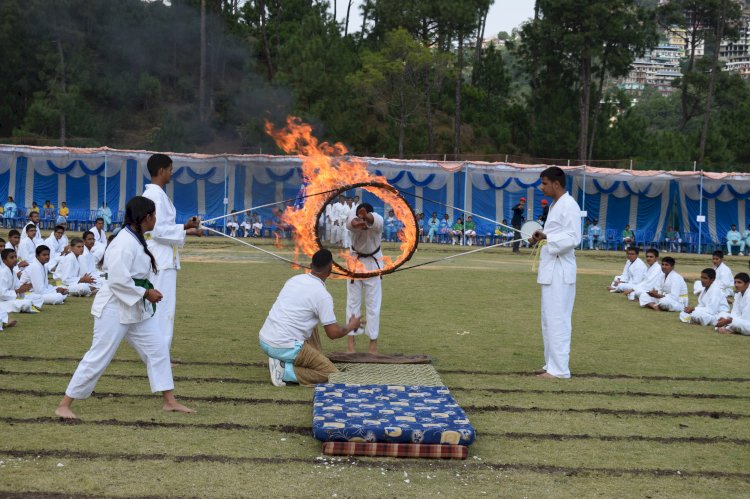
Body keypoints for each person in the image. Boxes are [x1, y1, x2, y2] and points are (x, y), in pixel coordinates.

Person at [55, 196, 193, 419]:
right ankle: (64, 404)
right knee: (99, 355)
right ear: (145, 217)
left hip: (136, 308)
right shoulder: (123, 242)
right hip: (114, 308)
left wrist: (145, 294)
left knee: (158, 349)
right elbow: (118, 280)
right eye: (154, 215)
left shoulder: (136, 238)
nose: (156, 219)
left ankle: (169, 401)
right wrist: (147, 292)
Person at [260, 249, 361, 386]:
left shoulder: (294, 280)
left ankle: (284, 361)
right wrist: (351, 326)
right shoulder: (322, 296)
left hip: (266, 338)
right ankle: (285, 372)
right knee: (331, 374)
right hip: (284, 345)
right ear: (330, 268)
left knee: (312, 322)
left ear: (311, 265)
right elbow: (332, 333)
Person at [142, 154, 202, 352]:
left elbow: (163, 227)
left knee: (162, 308)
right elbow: (157, 230)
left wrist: (188, 229)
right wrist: (184, 227)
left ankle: (157, 351)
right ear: (161, 171)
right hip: (160, 259)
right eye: (170, 169)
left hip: (163, 257)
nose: (171, 173)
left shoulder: (156, 194)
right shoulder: (155, 196)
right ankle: (158, 353)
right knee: (162, 309)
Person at [528, 167, 581, 380]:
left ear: (556, 184)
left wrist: (548, 238)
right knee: (548, 319)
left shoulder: (570, 205)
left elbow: (573, 237)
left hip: (561, 269)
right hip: (551, 268)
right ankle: (551, 363)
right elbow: (555, 233)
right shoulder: (555, 205)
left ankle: (560, 370)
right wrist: (541, 236)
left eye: (544, 183)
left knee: (558, 319)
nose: (541, 188)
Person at [346, 202, 384, 354]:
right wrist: (359, 219)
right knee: (353, 303)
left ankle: (373, 344)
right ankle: (350, 343)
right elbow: (353, 223)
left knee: (373, 305)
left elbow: (372, 219)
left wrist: (365, 217)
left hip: (373, 263)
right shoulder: (352, 218)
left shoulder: (377, 219)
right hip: (355, 262)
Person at [0, 248, 36, 314]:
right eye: (11, 257)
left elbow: (18, 288)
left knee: (36, 298)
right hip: (2, 302)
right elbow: (2, 294)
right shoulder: (2, 273)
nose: (14, 259)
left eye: (15, 257)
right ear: (4, 260)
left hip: (11, 300)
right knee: (26, 303)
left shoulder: (13, 272)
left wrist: (25, 287)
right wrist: (18, 291)